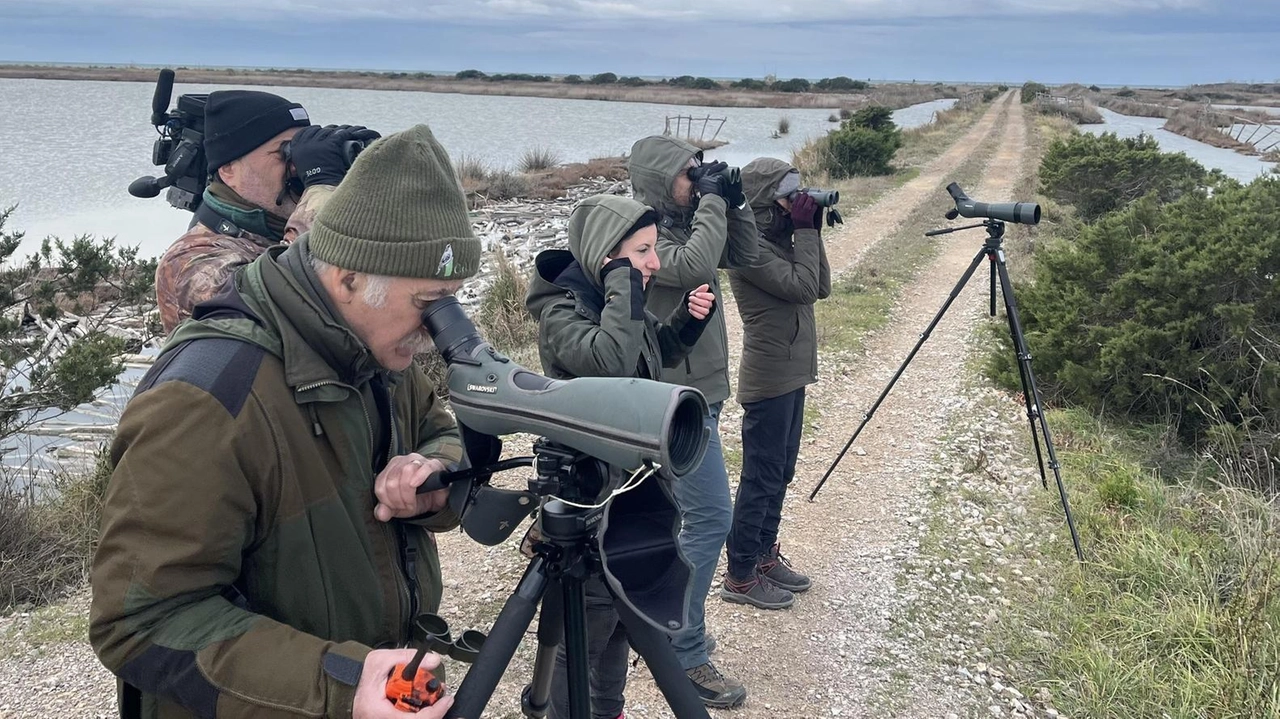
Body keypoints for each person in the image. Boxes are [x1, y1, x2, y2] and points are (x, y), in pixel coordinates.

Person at [89, 124, 483, 719]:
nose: (437, 330)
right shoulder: (210, 396)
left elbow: (439, 430)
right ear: (350, 276)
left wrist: (432, 479)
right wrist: (341, 686)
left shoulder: (376, 350)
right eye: (429, 302)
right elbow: (141, 619)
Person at [525, 193, 717, 719]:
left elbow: (655, 353)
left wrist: (685, 322)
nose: (655, 263)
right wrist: (624, 284)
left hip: (633, 492)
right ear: (606, 257)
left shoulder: (620, 300)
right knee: (584, 630)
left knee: (620, 618)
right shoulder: (563, 312)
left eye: (654, 251)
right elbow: (609, 362)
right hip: (588, 502)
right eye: (643, 252)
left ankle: (609, 710)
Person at [627, 135, 758, 708]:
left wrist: (735, 200)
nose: (699, 178)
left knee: (678, 520)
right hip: (673, 404)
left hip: (702, 393)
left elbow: (744, 254)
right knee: (710, 520)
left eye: (701, 171)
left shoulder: (690, 223)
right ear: (661, 180)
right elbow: (699, 263)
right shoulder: (646, 239)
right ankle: (684, 652)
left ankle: (651, 623)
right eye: (689, 174)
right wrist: (711, 200)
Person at [154, 88, 379, 333]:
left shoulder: (282, 229)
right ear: (229, 169)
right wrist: (322, 186)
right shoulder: (191, 260)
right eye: (284, 153)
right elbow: (279, 309)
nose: (298, 168)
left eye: (301, 152)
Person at [722, 158, 831, 610]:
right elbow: (803, 287)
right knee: (760, 477)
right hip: (769, 379)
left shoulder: (780, 241)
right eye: (788, 197)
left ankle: (764, 555)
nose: (795, 205)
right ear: (766, 203)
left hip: (792, 373)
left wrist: (812, 229)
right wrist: (804, 230)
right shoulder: (748, 250)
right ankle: (741, 574)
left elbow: (821, 285)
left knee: (780, 471)